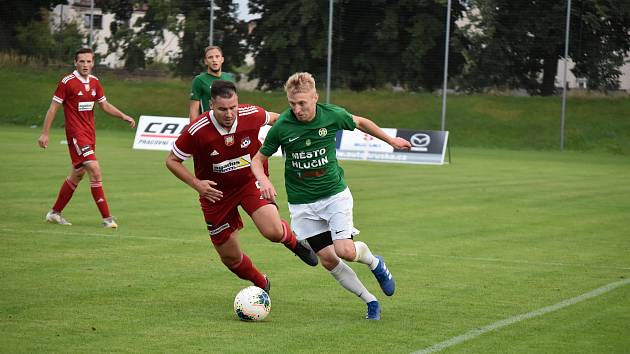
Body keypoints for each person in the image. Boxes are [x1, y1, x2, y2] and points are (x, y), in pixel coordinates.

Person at [251, 72, 411, 320]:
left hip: (334, 195)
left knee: (344, 250)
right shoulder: (282, 125)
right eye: (292, 104)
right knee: (327, 259)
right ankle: (370, 301)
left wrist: (390, 140)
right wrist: (262, 180)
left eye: (302, 103)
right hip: (302, 204)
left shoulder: (332, 115)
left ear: (315, 97)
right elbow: (257, 160)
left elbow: (361, 122)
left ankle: (374, 263)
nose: (297, 109)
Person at [166, 80, 318, 293]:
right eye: (222, 109)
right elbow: (172, 160)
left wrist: (299, 133)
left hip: (249, 181)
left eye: (233, 107)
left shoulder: (251, 114)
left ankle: (294, 242)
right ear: (211, 105)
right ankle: (261, 284)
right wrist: (197, 184)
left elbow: (277, 119)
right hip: (215, 194)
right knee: (230, 258)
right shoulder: (197, 130)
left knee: (273, 231)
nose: (229, 114)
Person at [38, 48, 136, 229]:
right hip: (76, 135)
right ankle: (107, 219)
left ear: (93, 63)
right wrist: (45, 133)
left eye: (88, 61)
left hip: (90, 135)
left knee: (77, 175)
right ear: (75, 63)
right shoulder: (67, 82)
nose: (85, 65)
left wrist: (123, 116)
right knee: (95, 169)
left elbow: (104, 105)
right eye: (82, 61)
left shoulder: (94, 82)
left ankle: (54, 213)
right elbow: (53, 109)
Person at [188, 45, 236, 121]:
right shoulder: (199, 80)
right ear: (206, 61)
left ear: (222, 59)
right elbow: (194, 110)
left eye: (217, 56)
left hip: (227, 124)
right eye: (210, 57)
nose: (214, 60)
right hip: (208, 125)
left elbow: (234, 104)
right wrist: (193, 130)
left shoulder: (229, 78)